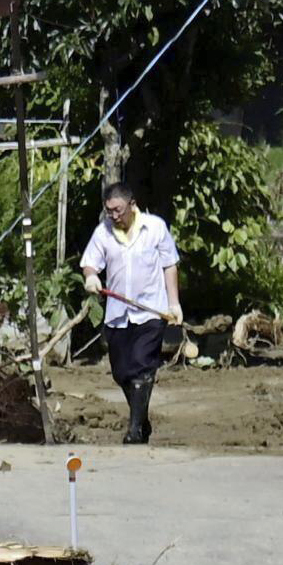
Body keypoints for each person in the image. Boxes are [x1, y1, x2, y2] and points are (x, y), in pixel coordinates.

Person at [79, 185, 181, 444]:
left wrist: (174, 303)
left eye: (118, 210)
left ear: (132, 205)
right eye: (109, 210)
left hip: (151, 312)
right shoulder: (103, 232)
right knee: (122, 372)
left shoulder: (155, 228)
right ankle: (142, 420)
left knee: (142, 365)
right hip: (118, 314)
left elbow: (170, 264)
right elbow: (90, 260)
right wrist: (91, 276)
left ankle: (134, 430)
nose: (114, 215)